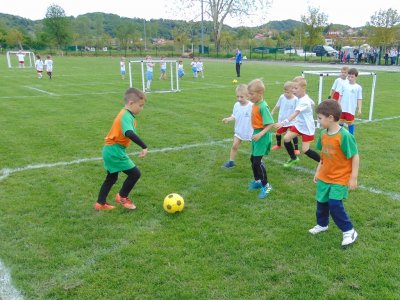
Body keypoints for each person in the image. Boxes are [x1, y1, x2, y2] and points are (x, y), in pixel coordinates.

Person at [309, 99, 359, 247]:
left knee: (335, 204)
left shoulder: (344, 136)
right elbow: (323, 156)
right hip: (325, 176)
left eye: (319, 118)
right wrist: (318, 171)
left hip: (340, 178)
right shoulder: (324, 134)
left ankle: (349, 231)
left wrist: (353, 178)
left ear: (330, 117)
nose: (318, 121)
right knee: (322, 202)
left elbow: (355, 156)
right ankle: (322, 224)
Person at [95, 88, 148, 211]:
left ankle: (100, 203)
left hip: (110, 149)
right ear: (131, 103)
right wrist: (144, 146)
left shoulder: (125, 114)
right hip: (114, 151)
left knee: (111, 178)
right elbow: (129, 133)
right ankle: (122, 196)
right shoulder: (125, 116)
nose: (142, 108)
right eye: (140, 105)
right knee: (135, 174)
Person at [274, 76, 320, 168]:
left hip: (307, 127)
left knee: (305, 150)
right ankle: (293, 158)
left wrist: (282, 123)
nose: (293, 90)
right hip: (299, 125)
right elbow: (313, 103)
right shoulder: (301, 97)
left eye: (296, 88)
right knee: (286, 139)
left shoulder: (304, 101)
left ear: (303, 88)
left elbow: (295, 113)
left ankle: (323, 161)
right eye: (293, 88)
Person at [247, 79, 274, 199]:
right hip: (256, 133)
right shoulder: (255, 105)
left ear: (260, 93)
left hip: (262, 136)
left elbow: (270, 124)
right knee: (253, 159)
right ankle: (258, 181)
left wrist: (260, 134)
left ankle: (266, 185)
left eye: (251, 94)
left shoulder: (263, 106)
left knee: (257, 161)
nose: (250, 96)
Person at [221, 84, 253, 168]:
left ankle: (258, 162)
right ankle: (231, 162)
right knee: (234, 146)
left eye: (241, 97)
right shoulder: (236, 105)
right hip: (239, 131)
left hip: (250, 132)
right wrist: (228, 119)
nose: (239, 99)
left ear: (248, 96)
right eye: (237, 96)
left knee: (255, 149)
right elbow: (234, 116)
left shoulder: (252, 106)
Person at [270, 81, 300, 155]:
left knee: (293, 135)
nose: (285, 94)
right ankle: (278, 145)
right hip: (282, 121)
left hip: (292, 121)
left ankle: (296, 149)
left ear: (293, 91)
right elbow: (277, 105)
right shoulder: (282, 97)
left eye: (288, 92)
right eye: (285, 92)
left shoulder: (296, 99)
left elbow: (297, 111)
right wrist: (273, 111)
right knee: (278, 133)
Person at [338, 68, 362, 135]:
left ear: (356, 77)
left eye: (352, 77)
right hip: (342, 107)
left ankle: (351, 136)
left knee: (350, 122)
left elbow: (359, 98)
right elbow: (340, 95)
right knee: (340, 122)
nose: (350, 78)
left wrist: (359, 109)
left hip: (351, 108)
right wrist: (338, 104)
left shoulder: (358, 87)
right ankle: (340, 136)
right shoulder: (344, 85)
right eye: (349, 76)